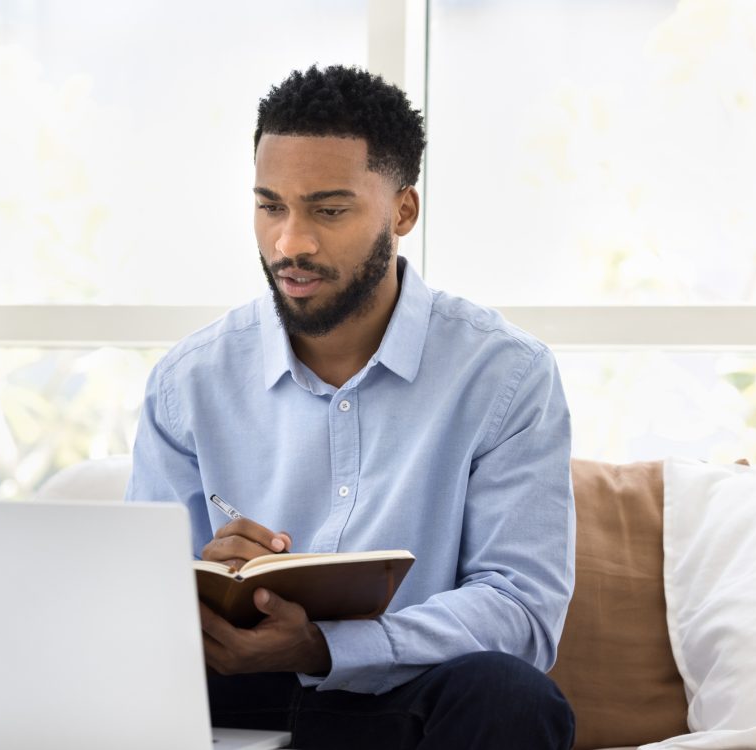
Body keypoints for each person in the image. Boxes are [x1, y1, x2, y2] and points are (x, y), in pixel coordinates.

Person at [125, 64, 575, 749]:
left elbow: (521, 610)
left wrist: (325, 646)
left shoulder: (504, 375)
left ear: (402, 211)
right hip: (240, 697)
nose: (290, 243)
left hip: (407, 705)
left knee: (514, 698)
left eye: (328, 210)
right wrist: (212, 590)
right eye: (270, 205)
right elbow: (138, 612)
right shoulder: (187, 383)